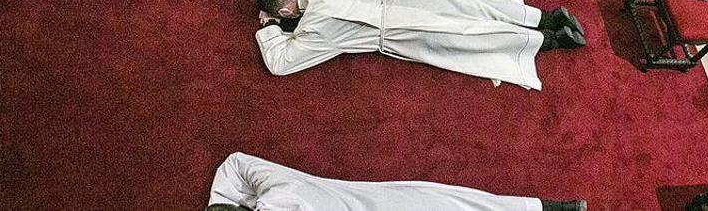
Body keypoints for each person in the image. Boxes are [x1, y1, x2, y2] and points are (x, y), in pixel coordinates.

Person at [252, 0, 586, 89]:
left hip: (398, 31)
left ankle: (550, 39)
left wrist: (269, 26)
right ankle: (547, 17)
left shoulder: (315, 29)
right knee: (470, 6)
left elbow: (281, 63)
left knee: (468, 38)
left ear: (286, 13)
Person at [208, 152, 587, 210]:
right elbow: (235, 164)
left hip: (383, 201)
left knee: (461, 204)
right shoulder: (275, 190)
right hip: (386, 199)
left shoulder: (277, 195)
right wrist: (223, 200)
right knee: (463, 202)